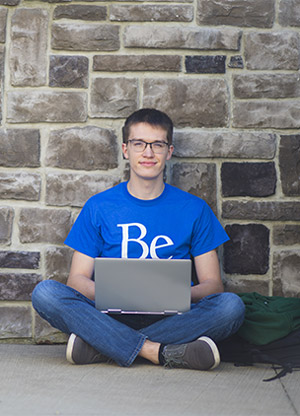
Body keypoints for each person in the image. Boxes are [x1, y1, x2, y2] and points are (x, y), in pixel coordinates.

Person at [32, 108, 245, 370]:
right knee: (45, 293)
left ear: (169, 151)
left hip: (174, 315)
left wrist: (172, 294)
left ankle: (103, 346)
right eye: (138, 144)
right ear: (125, 149)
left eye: (157, 144)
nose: (148, 152)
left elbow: (213, 286)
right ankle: (159, 352)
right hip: (110, 314)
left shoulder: (194, 209)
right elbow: (76, 281)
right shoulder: (99, 206)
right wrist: (117, 294)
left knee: (230, 308)